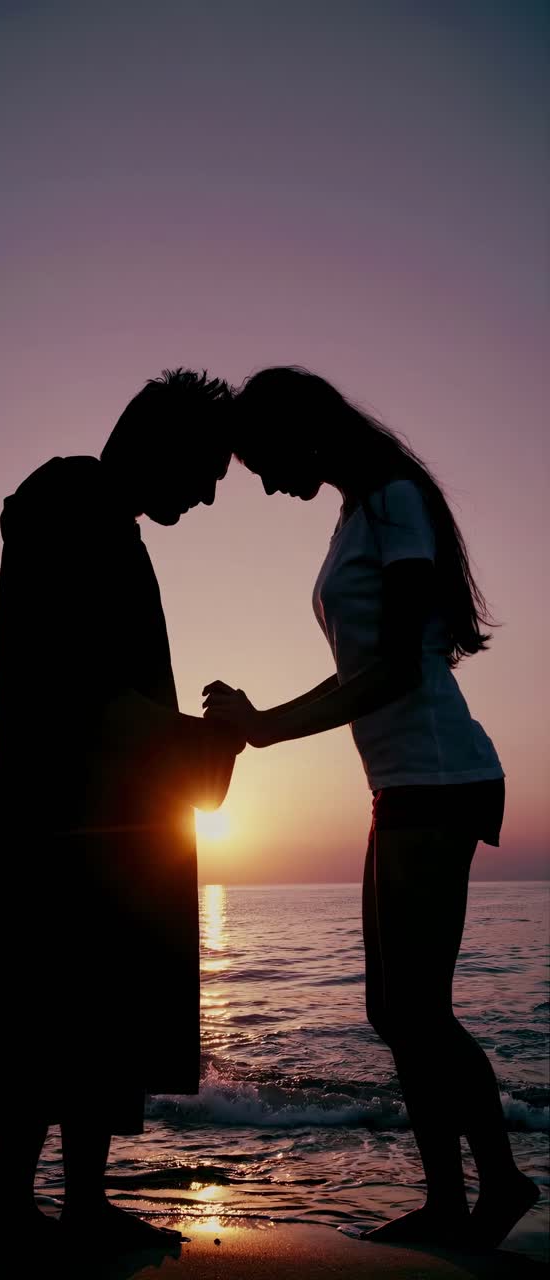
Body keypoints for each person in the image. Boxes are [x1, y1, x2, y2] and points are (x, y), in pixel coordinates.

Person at [203, 365, 539, 1250]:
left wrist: (267, 726)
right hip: (400, 781)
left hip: (439, 772)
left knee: (420, 1010)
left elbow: (391, 670)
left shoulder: (393, 502)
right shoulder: (358, 511)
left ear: (301, 432)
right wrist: (264, 722)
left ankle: (499, 1183)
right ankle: (447, 1201)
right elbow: (369, 670)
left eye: (264, 463)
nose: (267, 485)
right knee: (395, 1012)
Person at [0, 369, 245, 1264]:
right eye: (204, 473)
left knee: (88, 1010)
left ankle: (78, 1206)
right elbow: (82, 691)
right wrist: (201, 740)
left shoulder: (102, 519)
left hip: (100, 816)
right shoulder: (72, 505)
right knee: (45, 1007)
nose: (207, 497)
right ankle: (16, 1216)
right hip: (61, 816)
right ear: (161, 443)